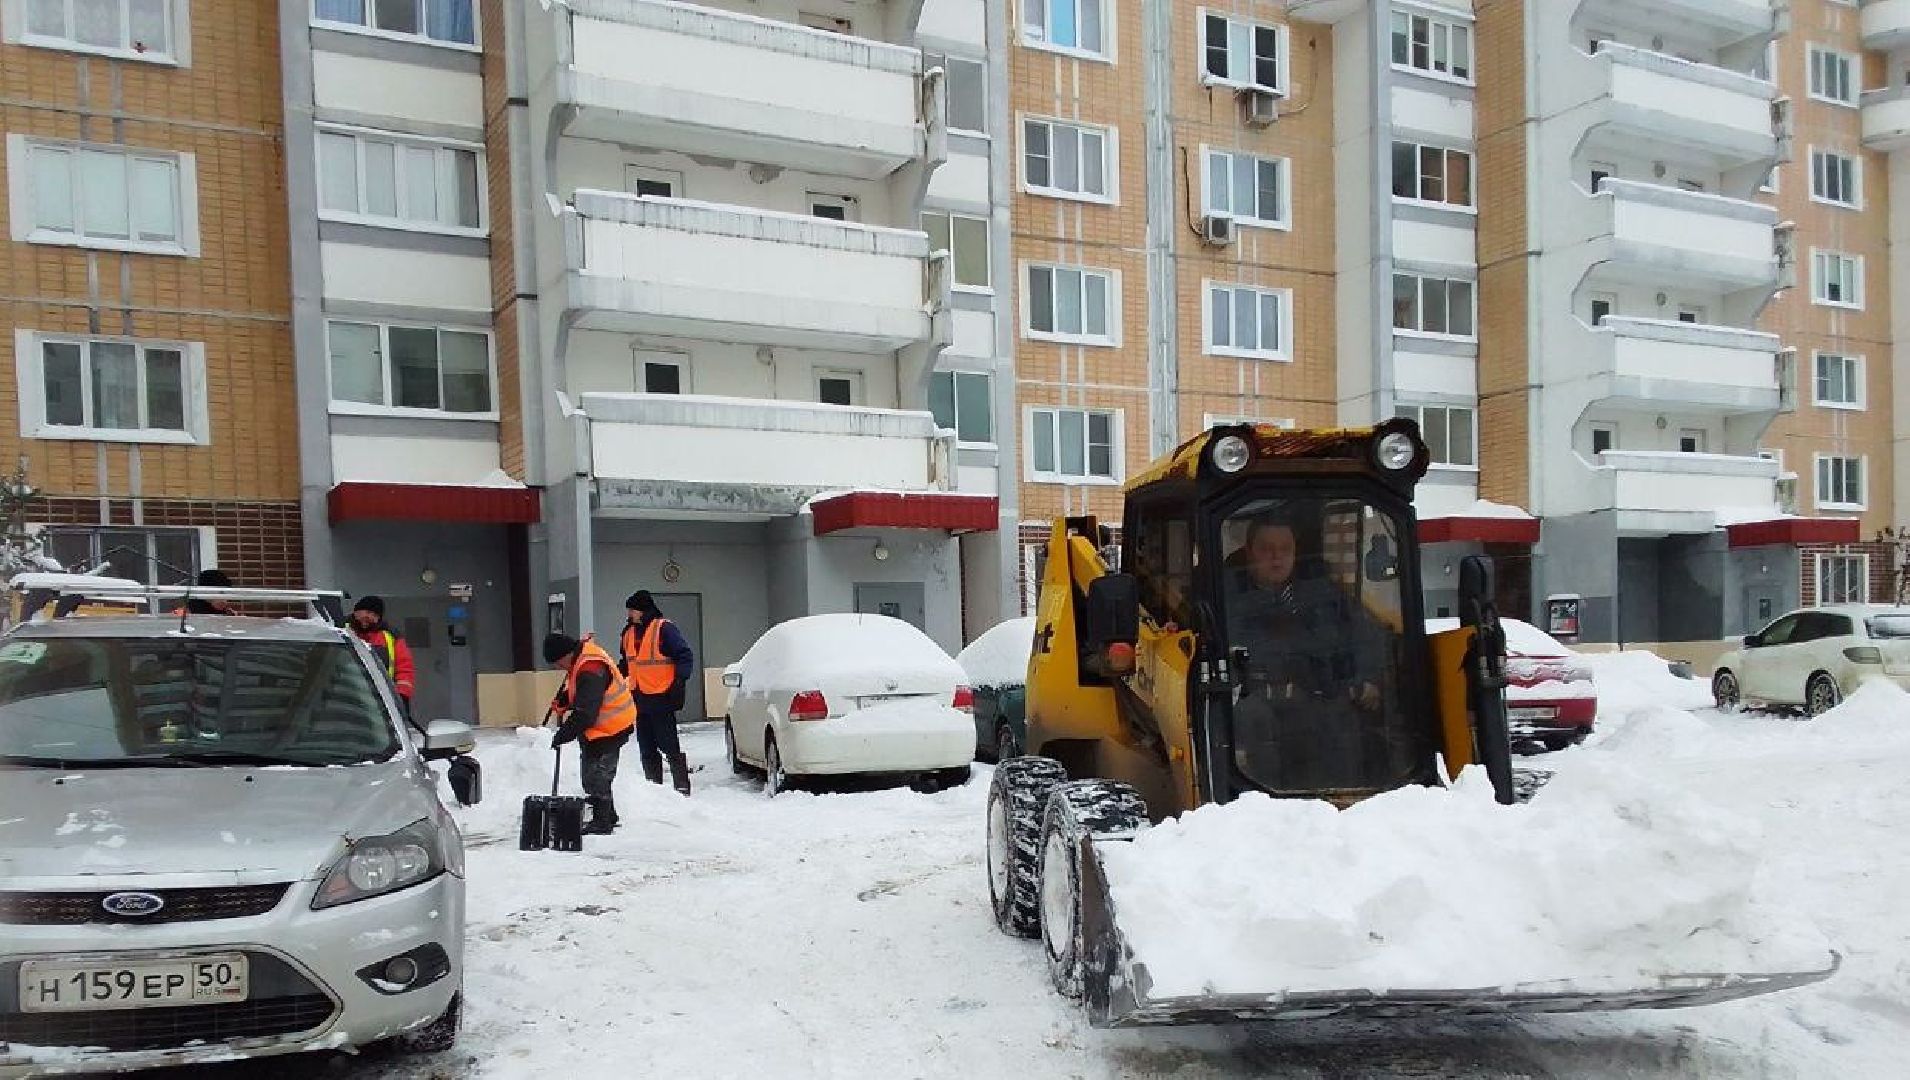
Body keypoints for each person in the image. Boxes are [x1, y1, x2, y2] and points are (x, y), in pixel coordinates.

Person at [1225, 509, 1386, 710]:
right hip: (1250, 720)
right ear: (1249, 552)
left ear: (1295, 553)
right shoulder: (1225, 604)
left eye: (1285, 549)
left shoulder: (1327, 599)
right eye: (1266, 549)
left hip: (1324, 717)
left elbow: (1363, 640)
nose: (1277, 557)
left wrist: (1365, 681)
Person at [544, 632, 638, 834]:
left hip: (612, 726)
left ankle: (603, 822)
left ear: (567, 654)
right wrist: (565, 700)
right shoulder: (582, 658)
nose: (560, 668)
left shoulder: (590, 667)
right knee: (592, 772)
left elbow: (586, 713)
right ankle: (608, 815)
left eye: (559, 663)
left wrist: (563, 734)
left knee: (598, 775)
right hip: (601, 726)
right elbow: (584, 693)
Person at [617, 591, 696, 795]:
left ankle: (681, 787)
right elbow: (626, 663)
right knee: (646, 746)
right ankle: (654, 789)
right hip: (639, 698)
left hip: (661, 696)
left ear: (642, 610)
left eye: (632, 610)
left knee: (669, 744)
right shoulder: (628, 633)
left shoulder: (664, 628)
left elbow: (684, 654)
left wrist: (680, 680)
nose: (629, 614)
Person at [350, 596, 416, 716]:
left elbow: (404, 668)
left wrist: (402, 696)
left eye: (375, 615)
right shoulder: (339, 630)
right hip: (347, 698)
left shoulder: (391, 636)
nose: (370, 618)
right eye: (368, 612)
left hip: (382, 702)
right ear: (356, 612)